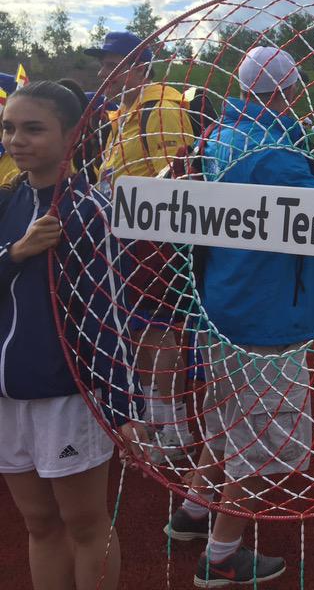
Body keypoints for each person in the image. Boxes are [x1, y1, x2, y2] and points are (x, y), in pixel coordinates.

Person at [165, 47, 314, 587]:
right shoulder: (272, 151)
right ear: (289, 92)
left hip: (223, 304)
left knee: (227, 421)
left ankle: (193, 513)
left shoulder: (221, 136)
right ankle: (221, 556)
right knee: (257, 442)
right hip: (265, 314)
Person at [1, 81, 147, 590]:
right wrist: (17, 253)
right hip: (7, 395)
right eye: (9, 128)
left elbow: (110, 313)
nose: (17, 140)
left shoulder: (89, 210)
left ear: (71, 136)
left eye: (33, 129)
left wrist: (126, 409)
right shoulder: (7, 203)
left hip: (66, 394)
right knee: (38, 524)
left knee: (84, 525)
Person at [87, 31, 195, 461]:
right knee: (137, 332)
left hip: (155, 243)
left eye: (109, 63)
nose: (102, 73)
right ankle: (154, 414)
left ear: (135, 66)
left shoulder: (161, 110)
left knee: (159, 330)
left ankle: (172, 425)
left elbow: (181, 180)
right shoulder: (126, 113)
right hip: (125, 243)